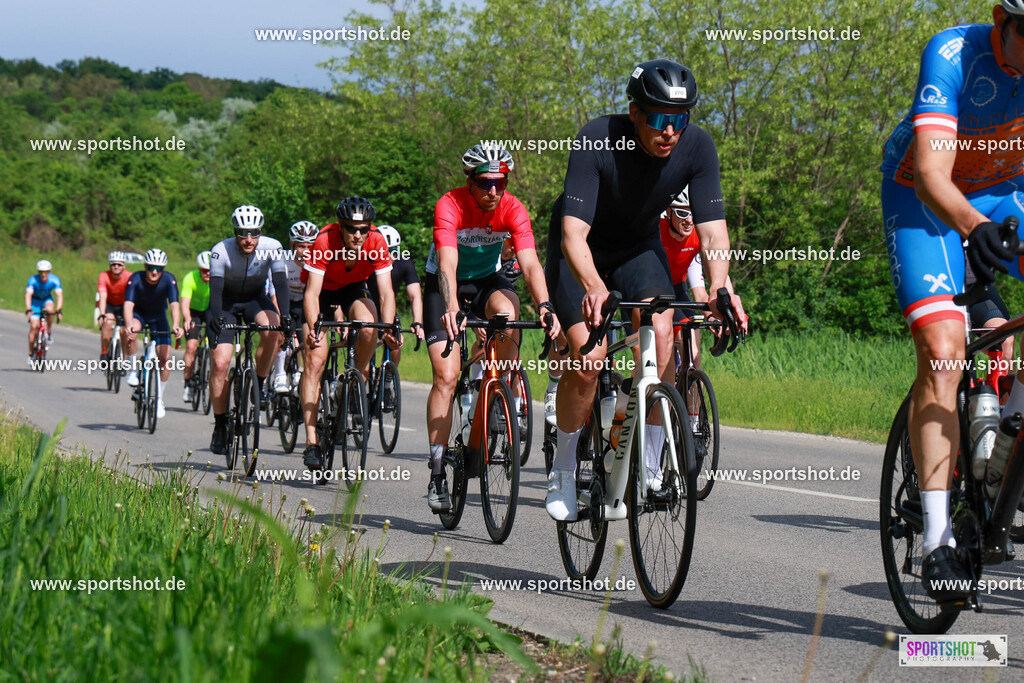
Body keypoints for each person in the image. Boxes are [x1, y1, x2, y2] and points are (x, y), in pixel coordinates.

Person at [545, 58, 746, 521]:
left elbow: (714, 234)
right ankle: (563, 466)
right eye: (658, 118)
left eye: (679, 120)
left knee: (664, 330)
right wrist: (593, 286)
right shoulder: (597, 137)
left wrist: (718, 290)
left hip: (638, 249)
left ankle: (650, 466)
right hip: (581, 252)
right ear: (633, 111)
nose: (669, 131)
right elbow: (573, 234)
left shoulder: (697, 147)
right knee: (590, 361)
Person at [879, 2, 1024, 603]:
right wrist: (972, 228)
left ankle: (1008, 423)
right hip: (924, 195)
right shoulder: (953, 54)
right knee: (944, 348)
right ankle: (939, 536)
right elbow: (936, 174)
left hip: (1007, 191)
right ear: (1002, 19)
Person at [423, 144, 560, 512]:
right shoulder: (449, 205)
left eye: (501, 183)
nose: (494, 191)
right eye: (485, 183)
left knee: (508, 310)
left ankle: (495, 388)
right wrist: (452, 306)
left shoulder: (512, 208)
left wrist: (545, 306)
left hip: (486, 280)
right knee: (447, 377)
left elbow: (530, 265)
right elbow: (448, 262)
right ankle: (437, 472)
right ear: (470, 181)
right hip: (445, 286)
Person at [300, 197, 402, 470]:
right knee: (315, 361)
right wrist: (314, 329)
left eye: (363, 229)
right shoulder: (324, 240)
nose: (358, 235)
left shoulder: (377, 241)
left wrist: (389, 328)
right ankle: (311, 441)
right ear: (340, 227)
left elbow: (386, 292)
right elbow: (311, 293)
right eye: (351, 229)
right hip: (321, 293)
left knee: (369, 325)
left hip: (353, 288)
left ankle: (355, 381)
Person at [206, 205, 289, 455]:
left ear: (260, 232)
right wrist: (217, 317)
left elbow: (281, 283)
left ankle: (259, 384)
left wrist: (285, 316)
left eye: (254, 233)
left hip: (255, 299)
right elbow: (217, 291)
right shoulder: (221, 251)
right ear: (235, 232)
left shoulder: (272, 247)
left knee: (273, 330)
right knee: (220, 364)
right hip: (226, 303)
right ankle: (220, 424)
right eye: (243, 233)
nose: (249, 240)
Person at [123, 249, 184, 418]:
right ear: (145, 266)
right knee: (132, 331)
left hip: (158, 317)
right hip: (139, 315)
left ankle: (159, 399)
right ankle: (133, 372)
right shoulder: (135, 278)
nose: (154, 272)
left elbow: (174, 305)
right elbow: (128, 304)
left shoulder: (169, 280)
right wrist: (129, 325)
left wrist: (177, 325)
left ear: (163, 268)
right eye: (151, 268)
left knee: (165, 358)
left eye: (158, 268)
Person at [270, 220, 319, 395]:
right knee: (280, 333)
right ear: (292, 246)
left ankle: (302, 375)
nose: (306, 251)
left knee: (309, 342)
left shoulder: (318, 262)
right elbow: (274, 294)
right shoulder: (282, 260)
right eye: (301, 246)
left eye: (310, 246)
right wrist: (280, 319)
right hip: (284, 302)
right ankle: (280, 373)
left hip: (304, 304)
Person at [366, 224, 426, 365]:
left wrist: (417, 321)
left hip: (388, 310)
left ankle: (387, 380)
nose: (387, 256)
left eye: (393, 251)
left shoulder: (404, 262)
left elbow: (415, 295)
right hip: (368, 309)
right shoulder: (365, 262)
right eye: (382, 251)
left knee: (395, 344)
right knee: (366, 355)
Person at [180, 251, 212, 403]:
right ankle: (187, 383)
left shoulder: (219, 279)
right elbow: (185, 303)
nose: (208, 273)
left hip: (210, 310)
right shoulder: (190, 278)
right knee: (191, 347)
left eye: (210, 270)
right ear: (199, 270)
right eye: (204, 270)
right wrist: (187, 319)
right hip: (193, 312)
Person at [25, 259, 63, 363]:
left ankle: (49, 331)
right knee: (33, 326)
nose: (43, 275)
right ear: (38, 272)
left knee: (50, 310)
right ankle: (30, 353)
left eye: (46, 272)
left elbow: (59, 295)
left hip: (47, 299)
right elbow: (28, 294)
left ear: (49, 272)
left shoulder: (54, 280)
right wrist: (28, 309)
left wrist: (59, 310)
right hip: (35, 302)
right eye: (41, 272)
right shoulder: (33, 280)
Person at [98, 251, 130, 361]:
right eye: (113, 264)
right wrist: (102, 314)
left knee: (124, 331)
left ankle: (123, 358)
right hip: (110, 304)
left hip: (124, 305)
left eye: (119, 264)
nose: (116, 266)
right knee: (108, 322)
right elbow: (103, 296)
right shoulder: (104, 276)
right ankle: (104, 351)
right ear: (110, 265)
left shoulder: (129, 276)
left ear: (124, 266)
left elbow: (132, 298)